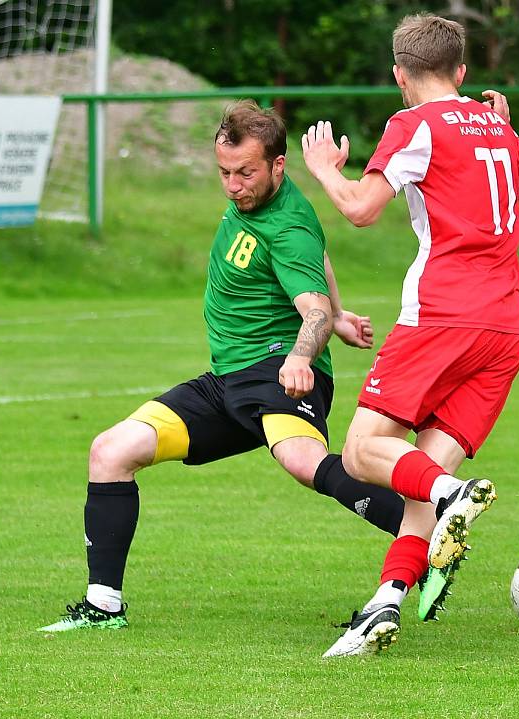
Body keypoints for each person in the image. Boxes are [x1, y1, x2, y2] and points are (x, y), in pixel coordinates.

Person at [38, 100, 406, 633]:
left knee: (306, 463)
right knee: (111, 450)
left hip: (277, 373)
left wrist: (307, 350)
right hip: (227, 381)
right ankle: (102, 607)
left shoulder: (286, 225)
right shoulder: (257, 201)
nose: (233, 185)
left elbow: (313, 306)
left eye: (246, 173)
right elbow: (319, 264)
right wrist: (342, 311)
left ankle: (420, 534)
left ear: (278, 166)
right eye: (225, 172)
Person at [302, 14, 519, 657]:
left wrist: (324, 170)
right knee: (420, 472)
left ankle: (455, 497)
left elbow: (361, 209)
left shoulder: (412, 124)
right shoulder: (496, 125)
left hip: (443, 317)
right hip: (507, 327)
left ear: (399, 73)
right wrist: (504, 134)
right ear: (463, 72)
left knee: (365, 454)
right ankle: (384, 605)